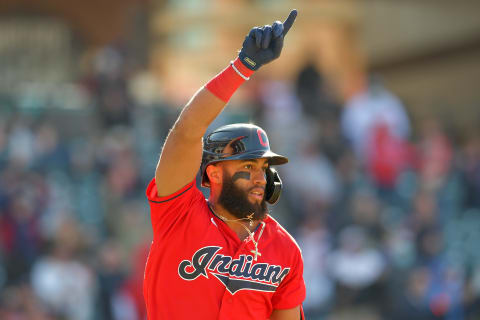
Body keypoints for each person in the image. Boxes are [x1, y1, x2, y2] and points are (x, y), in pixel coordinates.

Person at [144, 10, 306, 320]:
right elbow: (185, 132)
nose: (260, 177)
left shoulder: (285, 249)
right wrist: (243, 67)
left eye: (263, 167)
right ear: (214, 172)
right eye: (247, 167)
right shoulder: (179, 215)